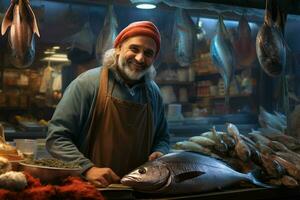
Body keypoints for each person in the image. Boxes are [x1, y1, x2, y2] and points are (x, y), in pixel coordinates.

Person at [46, 21, 170, 187]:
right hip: (92, 189)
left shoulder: (153, 92)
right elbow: (56, 137)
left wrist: (160, 151)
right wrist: (87, 169)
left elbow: (162, 136)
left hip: (139, 189)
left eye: (148, 53)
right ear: (118, 48)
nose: (140, 58)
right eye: (134, 49)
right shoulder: (87, 83)